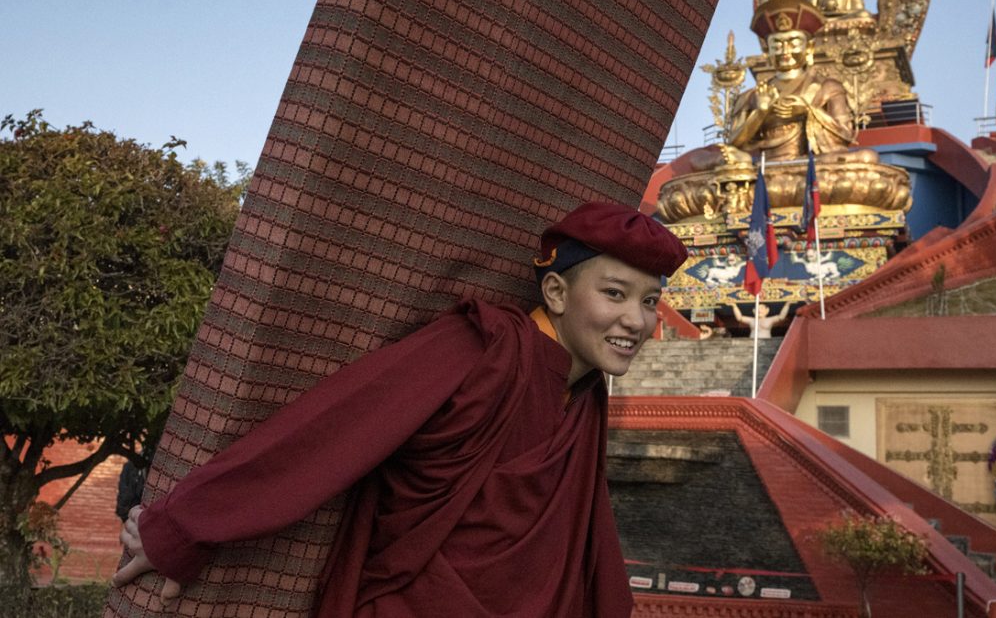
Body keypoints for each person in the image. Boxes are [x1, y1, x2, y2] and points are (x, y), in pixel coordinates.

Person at [112, 202, 687, 618]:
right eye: (614, 294)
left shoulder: (583, 393)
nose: (636, 321)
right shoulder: (483, 351)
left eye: (650, 301)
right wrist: (183, 528)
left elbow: (585, 536)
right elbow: (329, 433)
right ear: (557, 293)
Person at [727, 0, 856, 161]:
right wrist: (760, 112)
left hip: (810, 160)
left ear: (809, 48)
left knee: (866, 157)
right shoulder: (751, 96)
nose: (785, 51)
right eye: (776, 45)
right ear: (767, 51)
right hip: (764, 161)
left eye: (794, 43)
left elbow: (845, 134)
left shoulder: (828, 87)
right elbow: (734, 143)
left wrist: (808, 111)